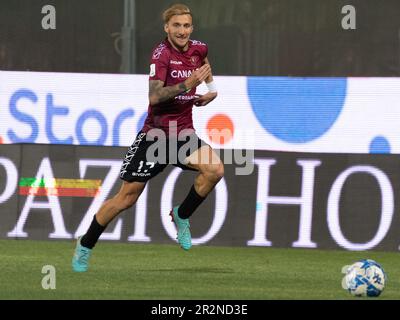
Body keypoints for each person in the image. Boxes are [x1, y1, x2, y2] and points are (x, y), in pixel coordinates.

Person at [72, 3, 224, 272]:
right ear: (167, 28)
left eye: (186, 25)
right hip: (154, 137)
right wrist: (188, 85)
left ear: (192, 27)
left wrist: (211, 90)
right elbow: (155, 96)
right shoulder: (161, 56)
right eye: (176, 25)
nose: (182, 30)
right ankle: (85, 245)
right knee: (125, 199)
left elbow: (205, 66)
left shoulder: (199, 48)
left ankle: (182, 214)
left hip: (183, 135)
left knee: (214, 169)